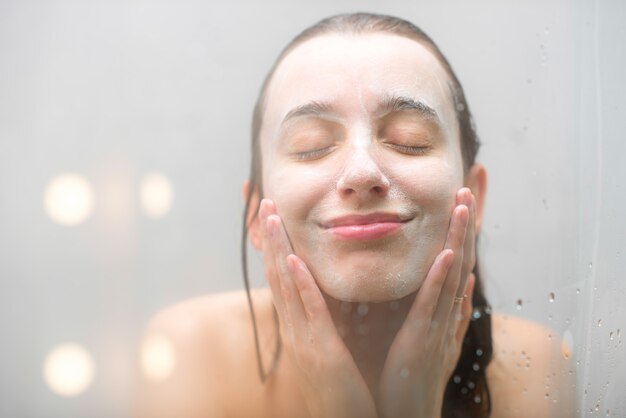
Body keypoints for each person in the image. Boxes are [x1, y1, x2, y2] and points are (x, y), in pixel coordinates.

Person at [134, 13, 574, 418]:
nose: (363, 173)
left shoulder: (535, 368)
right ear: (254, 214)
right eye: (310, 145)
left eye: (410, 140)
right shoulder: (193, 352)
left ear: (473, 196)